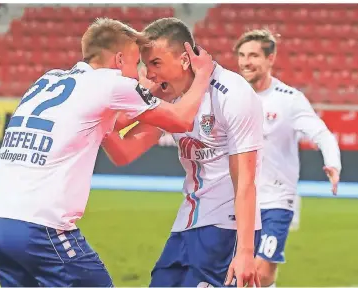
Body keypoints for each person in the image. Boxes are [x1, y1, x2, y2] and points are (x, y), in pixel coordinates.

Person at [0, 18, 214, 287]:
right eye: (136, 63)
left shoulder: (48, 79)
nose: (138, 74)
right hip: (40, 228)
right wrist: (203, 74)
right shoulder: (111, 83)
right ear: (120, 59)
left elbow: (118, 127)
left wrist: (150, 94)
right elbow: (181, 120)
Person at [102, 18, 263, 287]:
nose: (149, 73)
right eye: (145, 64)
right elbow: (125, 152)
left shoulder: (232, 95)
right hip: (187, 222)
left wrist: (245, 252)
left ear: (185, 60)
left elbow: (245, 181)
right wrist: (99, 121)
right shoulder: (170, 97)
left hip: (225, 228)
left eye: (156, 63)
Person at [234, 29, 342, 287]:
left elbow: (322, 133)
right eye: (241, 55)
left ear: (270, 58)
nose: (245, 62)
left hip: (277, 199)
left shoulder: (289, 100)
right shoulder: (231, 96)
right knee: (239, 271)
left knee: (261, 270)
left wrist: (333, 163)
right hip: (237, 199)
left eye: (253, 56)